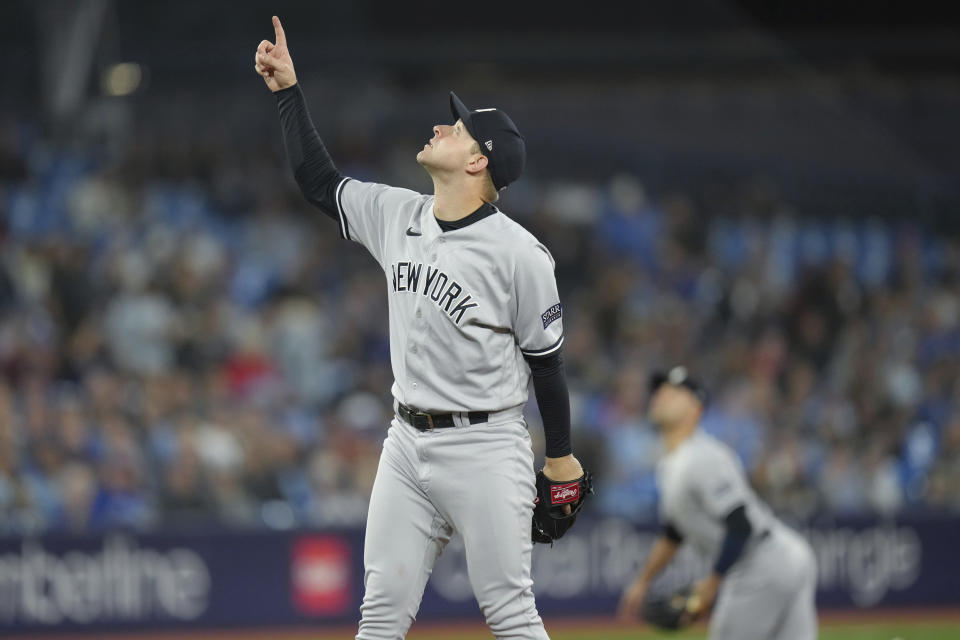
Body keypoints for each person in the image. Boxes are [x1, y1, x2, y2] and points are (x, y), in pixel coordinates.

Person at [254, 16, 587, 640]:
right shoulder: (398, 214)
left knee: (511, 613)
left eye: (456, 128)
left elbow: (548, 363)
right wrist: (288, 93)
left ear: (479, 160)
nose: (440, 127)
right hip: (406, 443)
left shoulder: (520, 255)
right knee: (379, 614)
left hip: (485, 447)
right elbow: (318, 183)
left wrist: (561, 458)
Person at [617, 366, 817, 640]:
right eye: (660, 390)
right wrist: (643, 582)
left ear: (695, 409)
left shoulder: (702, 457)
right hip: (782, 558)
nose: (662, 395)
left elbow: (740, 525)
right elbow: (674, 532)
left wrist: (712, 584)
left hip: (760, 563)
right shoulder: (672, 464)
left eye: (675, 392)